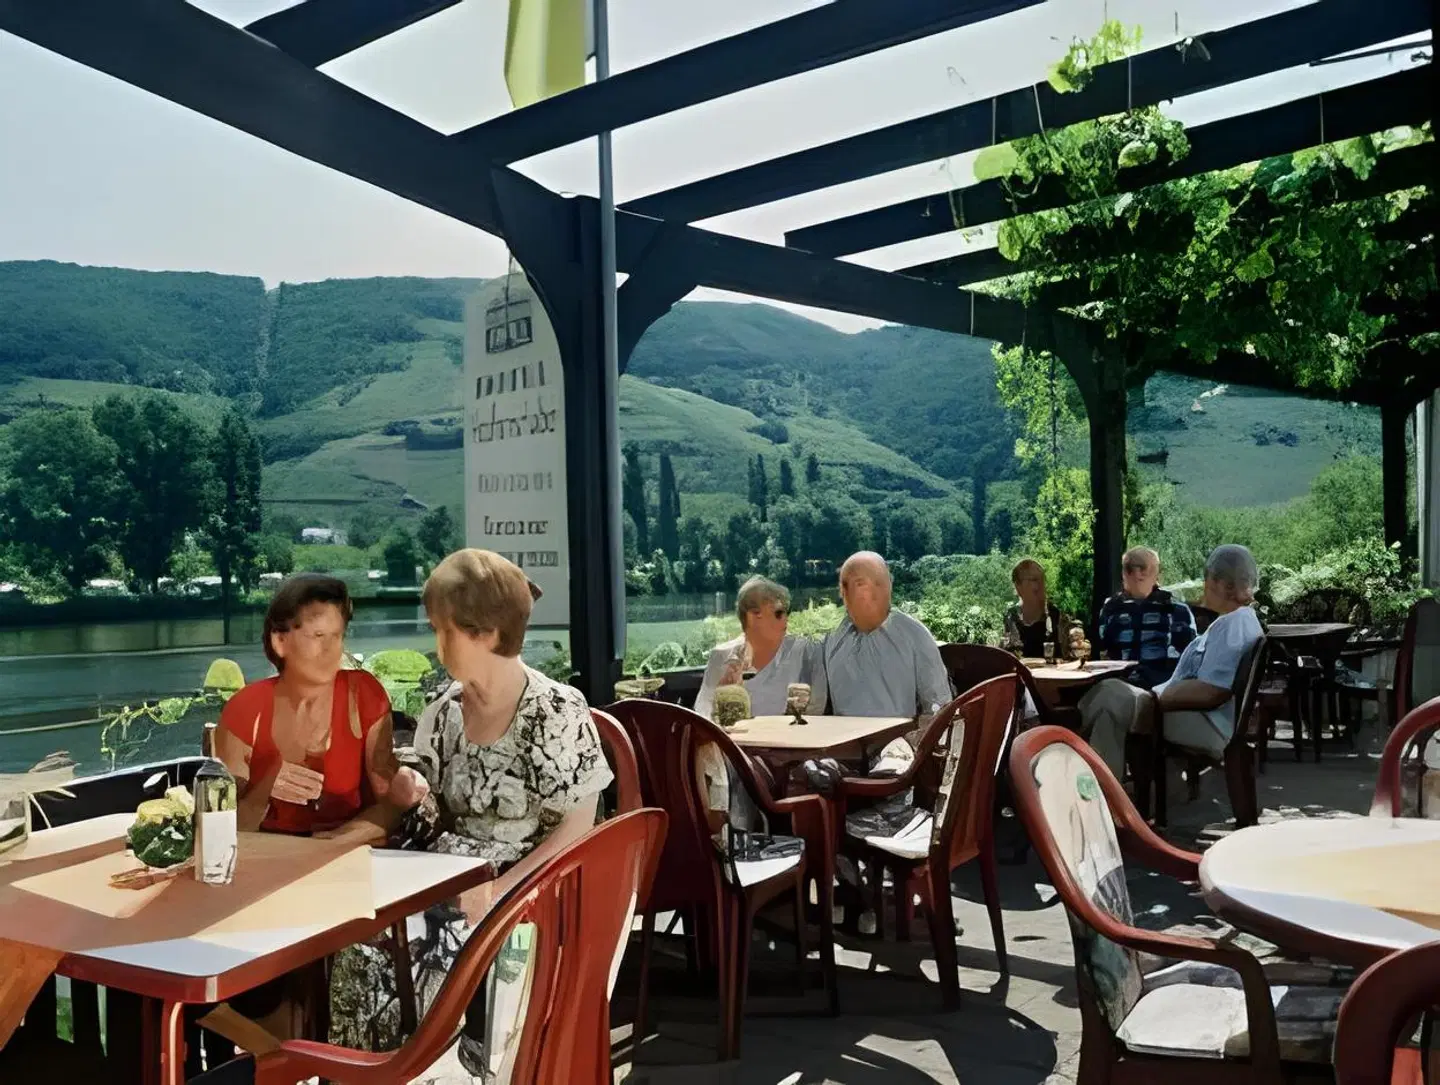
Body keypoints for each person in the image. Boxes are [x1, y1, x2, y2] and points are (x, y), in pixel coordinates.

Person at [329, 549, 612, 1070]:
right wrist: (404, 789)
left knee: (388, 944)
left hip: (534, 889)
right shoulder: (444, 710)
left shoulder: (556, 711)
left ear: (486, 632)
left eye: (445, 631)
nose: (437, 648)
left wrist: (502, 893)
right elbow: (426, 811)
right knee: (356, 930)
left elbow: (579, 829)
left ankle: (435, 1070)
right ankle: (382, 1075)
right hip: (448, 883)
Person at [216, 573, 420, 839]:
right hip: (266, 858)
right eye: (318, 636)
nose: (331, 650)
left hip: (345, 858)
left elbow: (389, 807)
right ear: (280, 641)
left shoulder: (363, 695)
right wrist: (263, 789)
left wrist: (333, 843)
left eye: (337, 636)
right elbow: (225, 830)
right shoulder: (244, 709)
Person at [1078, 544, 1264, 780]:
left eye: (1207, 579)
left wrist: (1155, 699)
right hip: (1193, 714)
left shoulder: (1234, 625)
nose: (1205, 586)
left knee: (1108, 692)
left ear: (1222, 584)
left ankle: (1066, 730)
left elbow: (1213, 691)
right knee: (1107, 715)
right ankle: (1112, 800)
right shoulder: (1239, 621)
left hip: (1202, 722)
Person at [822, 551, 952, 720]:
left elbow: (938, 706)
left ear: (884, 588)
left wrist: (912, 741)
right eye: (844, 586)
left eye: (859, 584)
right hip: (841, 741)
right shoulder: (834, 638)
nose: (845, 593)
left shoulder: (914, 635)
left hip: (897, 741)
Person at [694, 576, 828, 720]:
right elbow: (704, 716)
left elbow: (816, 708)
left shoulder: (805, 650)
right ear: (753, 616)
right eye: (778, 614)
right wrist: (723, 697)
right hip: (733, 739)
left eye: (786, 612)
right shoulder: (721, 656)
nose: (786, 619)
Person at [1094, 546, 1198, 690]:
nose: (1137, 574)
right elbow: (1103, 650)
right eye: (1130, 568)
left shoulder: (1176, 609)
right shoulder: (1111, 608)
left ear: (1157, 574)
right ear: (1124, 573)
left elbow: (1189, 657)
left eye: (1144, 568)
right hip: (1119, 683)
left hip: (1163, 686)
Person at [1002, 559, 1075, 660]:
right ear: (1017, 586)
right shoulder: (1010, 617)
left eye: (1042, 579)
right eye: (1034, 579)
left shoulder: (1058, 618)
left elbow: (1073, 657)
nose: (1040, 585)